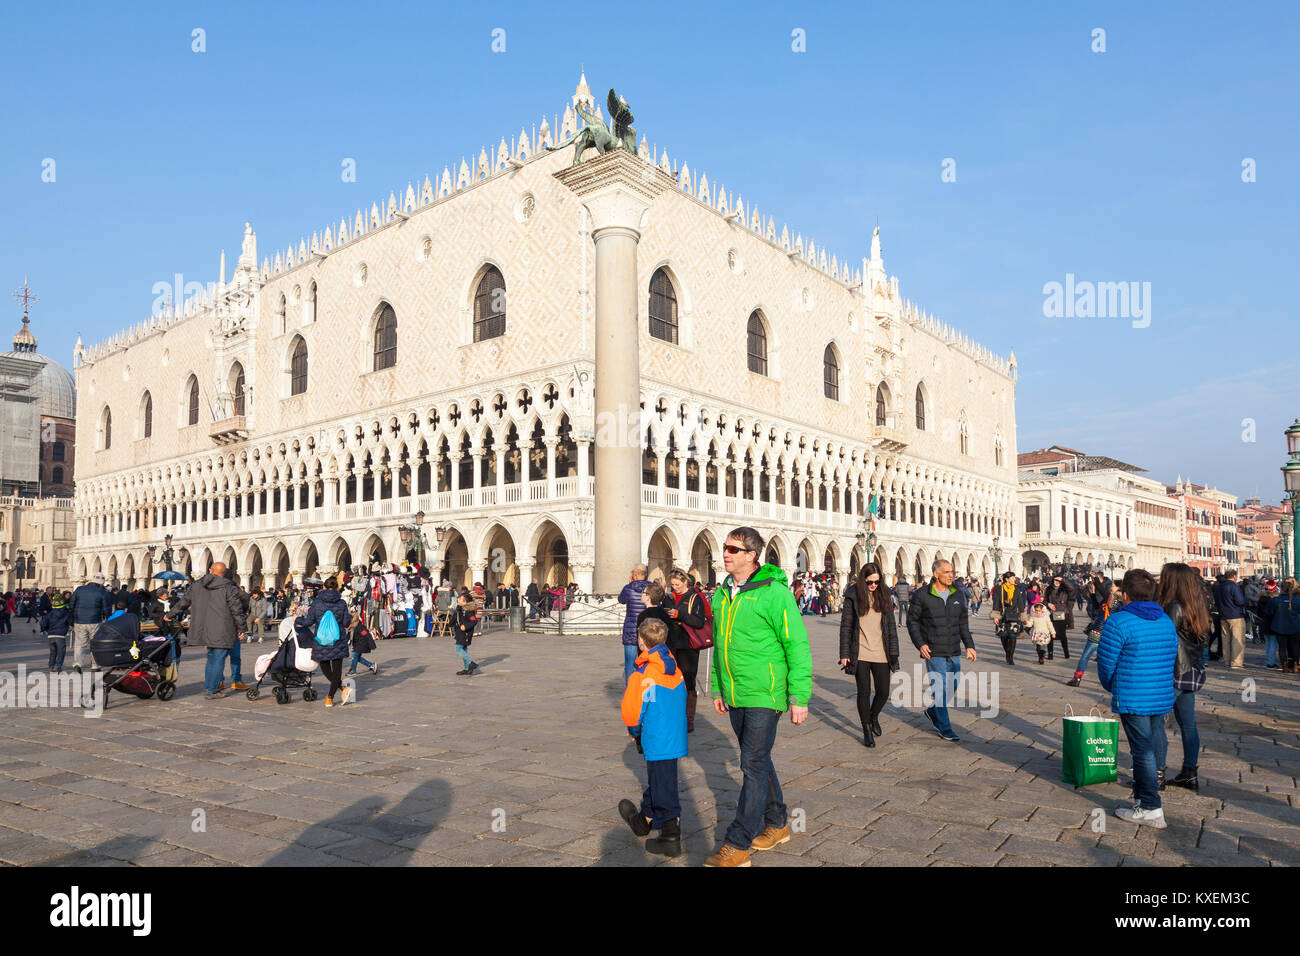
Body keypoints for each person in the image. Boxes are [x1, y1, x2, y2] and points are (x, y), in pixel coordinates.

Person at [705, 527, 812, 868]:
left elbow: (796, 644)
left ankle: (738, 843)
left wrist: (800, 696)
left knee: (751, 764)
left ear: (751, 555)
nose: (726, 554)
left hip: (766, 692)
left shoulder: (774, 593)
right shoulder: (722, 595)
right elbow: (718, 644)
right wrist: (718, 686)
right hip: (736, 691)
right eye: (725, 548)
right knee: (758, 760)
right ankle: (779, 823)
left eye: (733, 549)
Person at [1097, 568, 1178, 829]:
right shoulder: (1165, 620)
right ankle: (1148, 800)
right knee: (1151, 747)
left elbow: (1106, 666)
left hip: (1133, 695)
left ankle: (1150, 807)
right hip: (1160, 694)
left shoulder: (1118, 622)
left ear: (1126, 594)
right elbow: (1172, 657)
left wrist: (1116, 687)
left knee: (1141, 752)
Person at [617, 616, 688, 858]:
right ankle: (643, 820)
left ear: (640, 641)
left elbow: (631, 709)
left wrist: (635, 731)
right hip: (674, 734)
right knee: (661, 777)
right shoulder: (673, 667)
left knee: (664, 784)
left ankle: (670, 835)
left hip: (656, 735)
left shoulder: (643, 673)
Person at [907, 559, 976, 741]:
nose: (951, 575)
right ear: (936, 574)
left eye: (952, 571)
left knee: (952, 686)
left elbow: (963, 623)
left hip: (953, 649)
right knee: (940, 689)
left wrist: (969, 645)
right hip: (933, 650)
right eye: (946, 572)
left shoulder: (957, 594)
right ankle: (945, 727)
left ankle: (932, 711)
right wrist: (920, 643)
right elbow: (912, 621)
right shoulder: (922, 594)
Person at [1157, 562, 1211, 792]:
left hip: (1174, 671)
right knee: (1188, 724)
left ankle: (1156, 773)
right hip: (1191, 670)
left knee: (1156, 722)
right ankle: (1189, 773)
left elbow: (1166, 639)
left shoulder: (1174, 606)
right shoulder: (1198, 604)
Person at [838, 561, 899, 747]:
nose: (874, 586)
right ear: (863, 581)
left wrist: (894, 652)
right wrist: (844, 653)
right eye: (870, 582)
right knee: (863, 692)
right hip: (860, 651)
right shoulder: (853, 596)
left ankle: (873, 716)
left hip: (881, 651)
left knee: (883, 691)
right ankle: (866, 729)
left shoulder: (884, 595)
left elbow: (891, 627)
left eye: (877, 582)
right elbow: (846, 627)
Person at [171, 562, 247, 700]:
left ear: (210, 570)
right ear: (224, 573)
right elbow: (236, 609)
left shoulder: (197, 584)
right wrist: (242, 628)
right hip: (223, 629)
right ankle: (212, 690)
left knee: (211, 658)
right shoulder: (228, 586)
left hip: (205, 628)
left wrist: (169, 614)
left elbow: (183, 602)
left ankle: (210, 687)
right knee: (218, 659)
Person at [663, 569, 708, 733]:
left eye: (677, 584)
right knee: (671, 679)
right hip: (671, 643)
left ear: (685, 583)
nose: (674, 587)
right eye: (672, 585)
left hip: (688, 645)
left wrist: (679, 614)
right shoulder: (668, 598)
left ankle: (689, 719)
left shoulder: (695, 598)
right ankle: (674, 715)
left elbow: (698, 622)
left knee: (688, 680)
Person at [302, 576, 352, 705]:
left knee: (325, 666)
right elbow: (346, 622)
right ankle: (330, 697)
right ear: (336, 588)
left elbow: (308, 621)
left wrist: (297, 619)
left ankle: (341, 689)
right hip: (338, 639)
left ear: (324, 587)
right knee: (337, 670)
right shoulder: (342, 603)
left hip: (321, 640)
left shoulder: (317, 603)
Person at [1067, 587, 1121, 686]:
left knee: (1086, 656)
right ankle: (1115, 680)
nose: (1111, 587)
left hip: (1097, 631)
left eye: (1113, 586)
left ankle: (1077, 678)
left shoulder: (1108, 599)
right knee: (1112, 658)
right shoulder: (1121, 604)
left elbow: (1095, 608)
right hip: (1109, 633)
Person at [69, 573, 113, 673]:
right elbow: (107, 608)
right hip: (95, 621)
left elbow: (72, 604)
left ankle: (77, 663)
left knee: (80, 643)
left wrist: (73, 618)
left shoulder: (80, 589)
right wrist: (108, 618)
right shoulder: (103, 592)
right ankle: (94, 665)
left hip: (79, 620)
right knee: (95, 643)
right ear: (101, 583)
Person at [617, 564, 650, 681]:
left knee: (630, 664)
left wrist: (630, 584)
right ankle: (645, 691)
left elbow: (621, 600)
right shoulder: (652, 588)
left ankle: (630, 692)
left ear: (634, 575)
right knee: (647, 663)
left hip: (631, 629)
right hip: (648, 630)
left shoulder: (628, 588)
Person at [1213, 570, 1247, 668]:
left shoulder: (1219, 587)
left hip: (1223, 615)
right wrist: (1246, 600)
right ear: (1234, 576)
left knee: (1226, 639)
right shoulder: (1234, 586)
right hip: (1235, 615)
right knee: (1237, 639)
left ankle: (1227, 660)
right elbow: (1240, 601)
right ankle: (1236, 662)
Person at [992, 572, 1025, 665]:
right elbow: (996, 603)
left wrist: (1023, 616)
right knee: (1003, 635)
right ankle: (1007, 652)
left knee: (1013, 636)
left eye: (1014, 577)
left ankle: (1010, 656)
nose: (1014, 579)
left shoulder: (1016, 589)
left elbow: (1020, 603)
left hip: (1014, 616)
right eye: (1012, 577)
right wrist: (995, 616)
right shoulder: (999, 589)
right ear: (1007, 579)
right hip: (1002, 615)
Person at [41, 593, 73, 672]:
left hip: (51, 635)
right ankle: (58, 665)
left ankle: (51, 666)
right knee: (61, 652)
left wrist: (47, 629)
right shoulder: (66, 614)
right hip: (61, 635)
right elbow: (71, 622)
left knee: (53, 652)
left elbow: (42, 623)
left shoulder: (49, 614)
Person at [1044, 574, 1074, 660]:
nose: (1057, 582)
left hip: (1062, 614)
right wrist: (1048, 604)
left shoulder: (1064, 589)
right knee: (1051, 634)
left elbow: (1071, 588)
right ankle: (1050, 654)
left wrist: (1063, 579)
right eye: (1055, 580)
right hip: (1051, 613)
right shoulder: (1048, 589)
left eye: (1059, 581)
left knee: (1062, 635)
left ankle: (1066, 653)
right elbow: (1044, 601)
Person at [451, 591, 480, 676]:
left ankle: (471, 663)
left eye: (461, 600)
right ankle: (467, 668)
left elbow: (474, 621)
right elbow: (455, 619)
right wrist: (450, 623)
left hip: (465, 633)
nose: (458, 600)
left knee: (458, 648)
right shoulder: (459, 609)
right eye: (458, 599)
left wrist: (466, 626)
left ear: (466, 602)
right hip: (459, 632)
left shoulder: (468, 611)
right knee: (464, 650)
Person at [346, 612, 379, 677]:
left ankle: (353, 670)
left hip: (362, 644)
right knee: (357, 658)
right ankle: (371, 665)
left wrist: (372, 645)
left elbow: (367, 636)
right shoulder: (354, 627)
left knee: (354, 655)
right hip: (358, 644)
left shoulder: (360, 627)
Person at [1027, 597, 1054, 664]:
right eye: (1037, 611)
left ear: (1042, 610)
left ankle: (1042, 657)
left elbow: (1049, 624)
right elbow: (1030, 624)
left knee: (1042, 645)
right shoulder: (1033, 616)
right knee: (1038, 646)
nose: (1038, 612)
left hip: (1044, 633)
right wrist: (1026, 623)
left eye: (1039, 611)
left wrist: (1053, 632)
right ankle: (1040, 656)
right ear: (1034, 610)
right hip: (1037, 633)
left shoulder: (1045, 616)